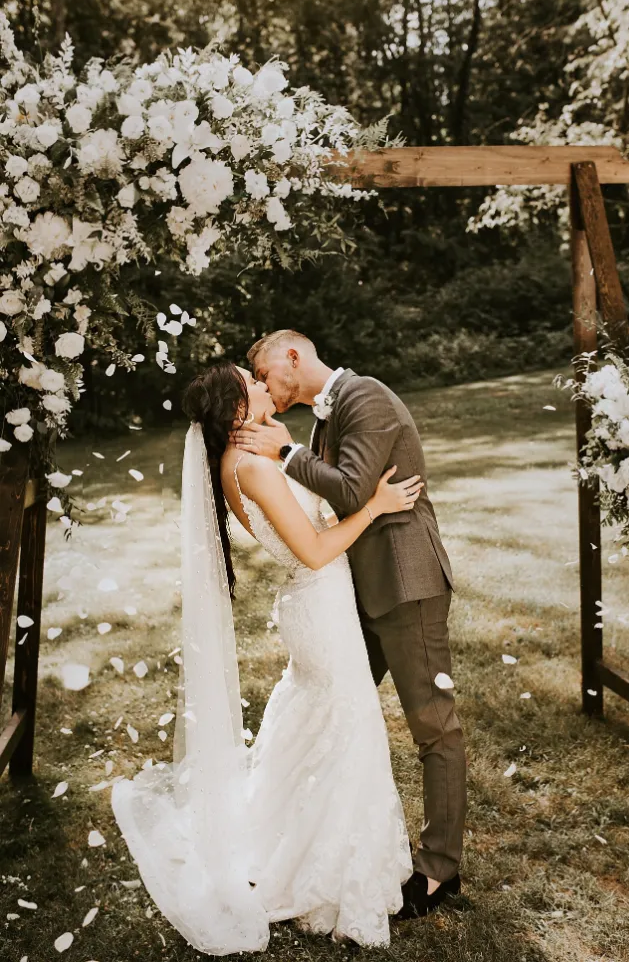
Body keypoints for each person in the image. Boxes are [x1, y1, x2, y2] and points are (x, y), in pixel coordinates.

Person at [111, 361, 422, 954]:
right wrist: (376, 506)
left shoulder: (244, 461)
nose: (262, 385)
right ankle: (323, 874)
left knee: (313, 722)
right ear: (236, 413)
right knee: (347, 727)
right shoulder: (251, 466)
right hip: (320, 606)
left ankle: (280, 836)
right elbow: (313, 549)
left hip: (312, 608)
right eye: (250, 384)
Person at [231, 329, 467, 919]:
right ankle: (309, 848)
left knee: (433, 726)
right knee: (334, 711)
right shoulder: (323, 419)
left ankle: (440, 870)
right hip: (358, 592)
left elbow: (354, 489)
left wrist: (286, 454)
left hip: (405, 585)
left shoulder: (367, 398)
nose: (263, 387)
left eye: (263, 374)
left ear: (293, 356)